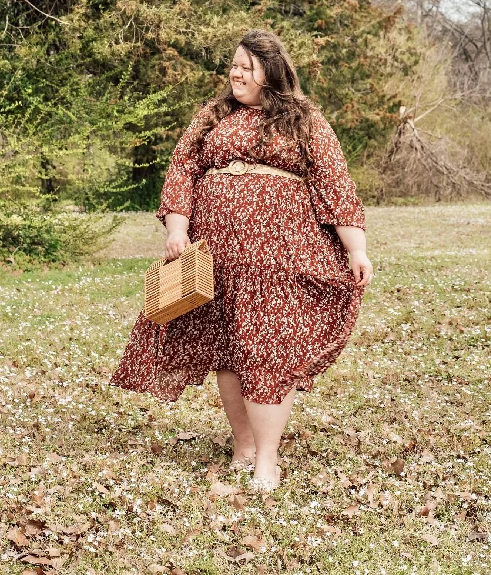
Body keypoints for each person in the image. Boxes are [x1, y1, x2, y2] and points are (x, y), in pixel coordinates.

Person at [110, 29, 373, 492]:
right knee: (230, 350)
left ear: (271, 72)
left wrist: (356, 248)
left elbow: (335, 184)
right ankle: (244, 446)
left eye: (246, 67)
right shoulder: (212, 115)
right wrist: (177, 228)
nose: (235, 72)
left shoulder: (303, 119)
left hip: (280, 257)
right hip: (218, 255)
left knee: (268, 349)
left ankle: (267, 460)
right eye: (233, 64)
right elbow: (182, 171)